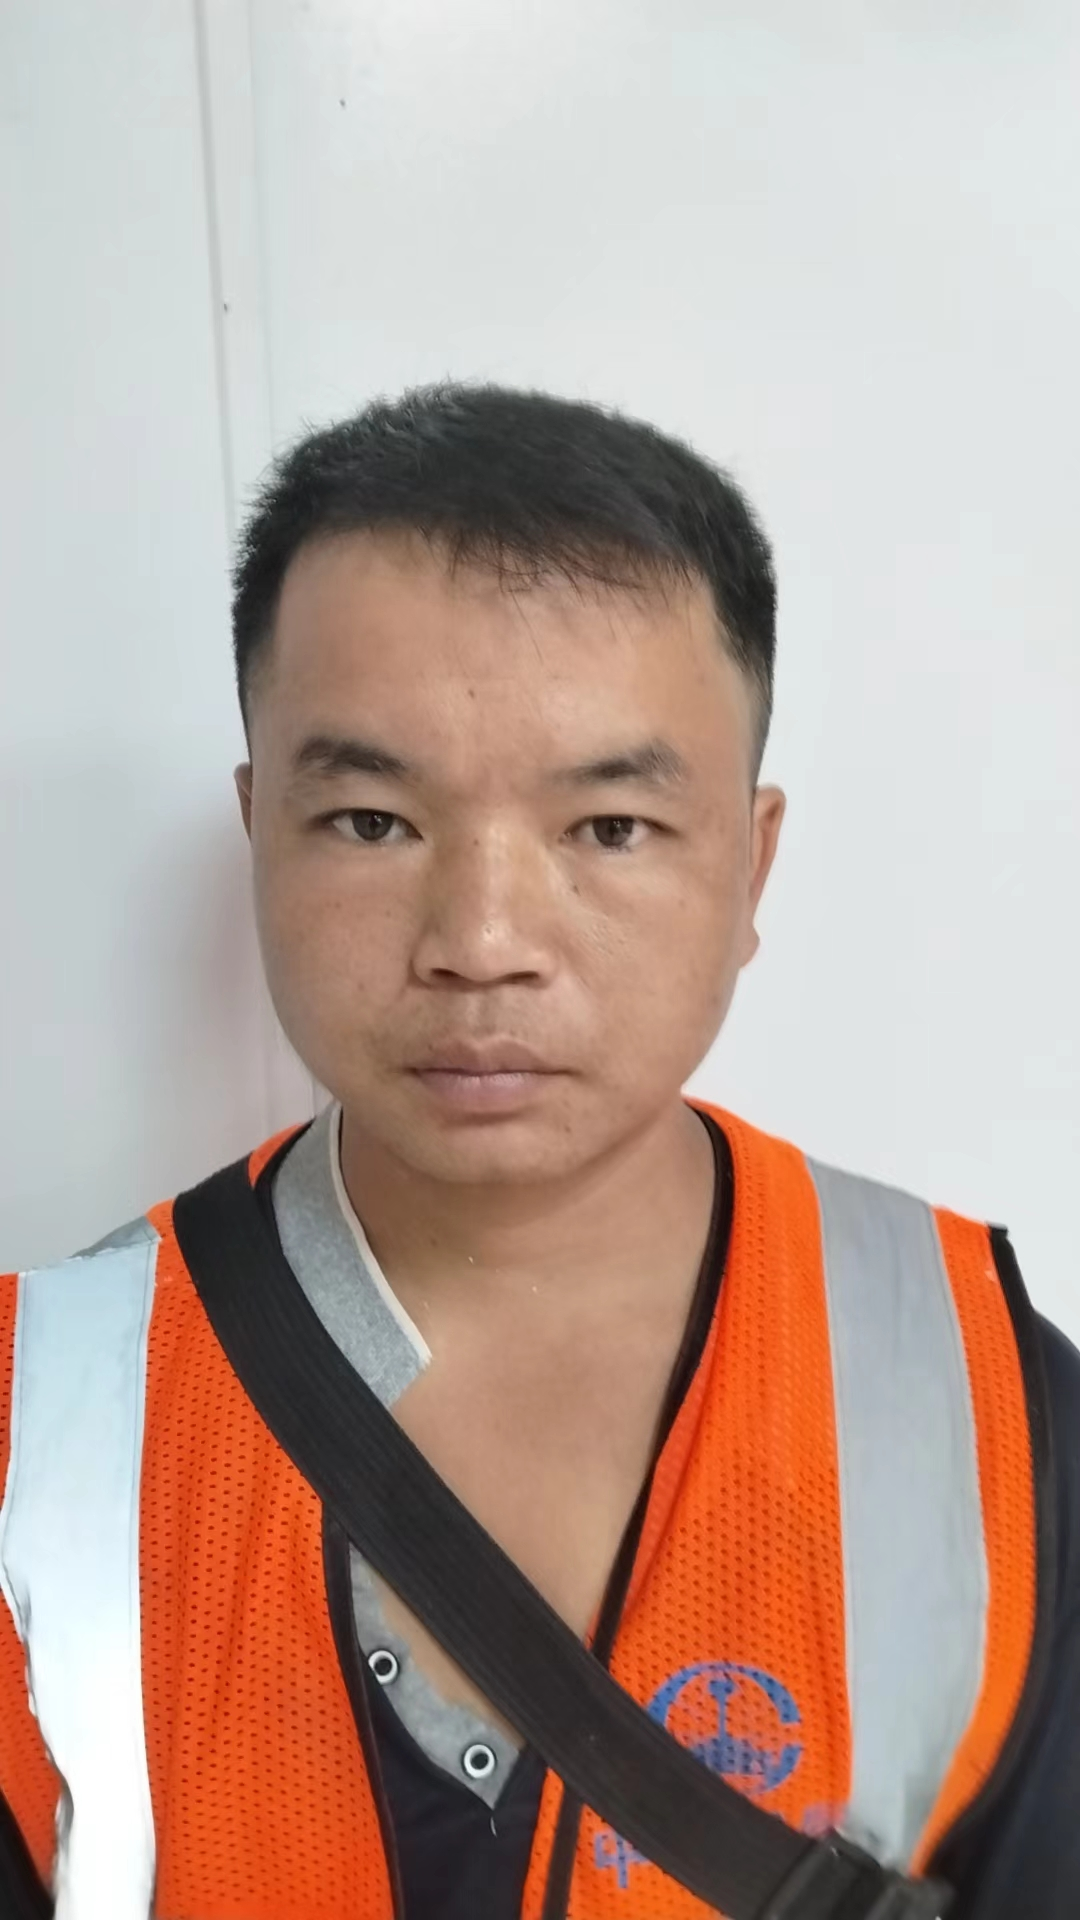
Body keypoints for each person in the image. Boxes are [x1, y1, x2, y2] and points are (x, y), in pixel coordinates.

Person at [0, 384, 1076, 1920]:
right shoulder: (42, 1424)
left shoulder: (983, 1412)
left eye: (609, 830)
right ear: (258, 830)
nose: (484, 941)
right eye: (372, 820)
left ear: (752, 865)